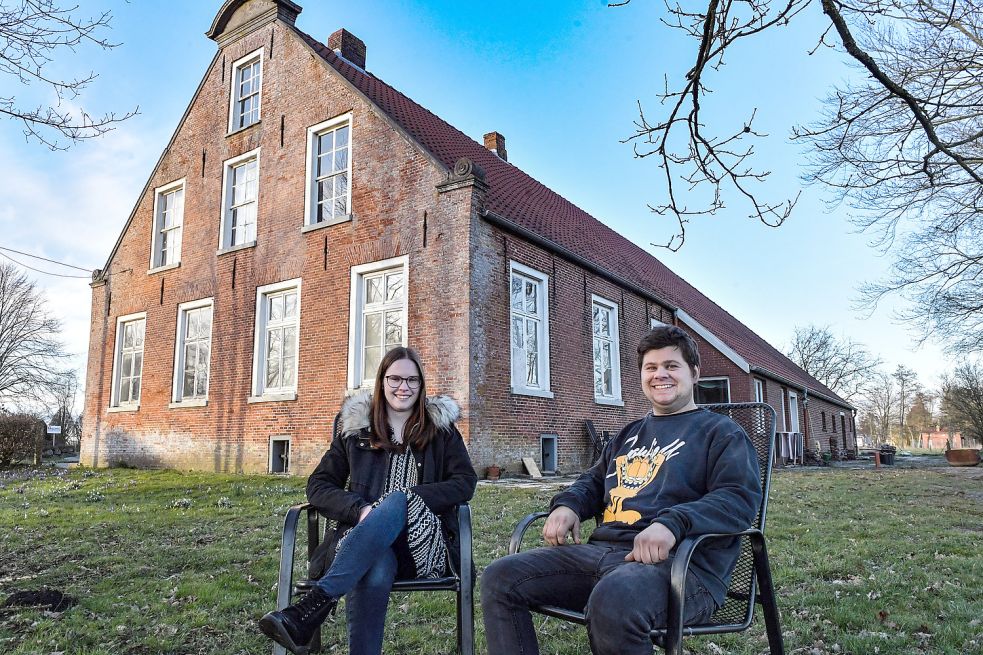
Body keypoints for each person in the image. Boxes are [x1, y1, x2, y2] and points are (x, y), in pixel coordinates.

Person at [481, 325, 762, 655]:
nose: (661, 375)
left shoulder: (721, 433)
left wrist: (673, 523)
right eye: (651, 368)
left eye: (672, 366)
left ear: (694, 374)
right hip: (602, 556)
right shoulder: (629, 433)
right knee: (500, 578)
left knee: (614, 598)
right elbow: (593, 481)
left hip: (682, 569)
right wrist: (568, 505)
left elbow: (738, 499)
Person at [259, 346, 477, 655]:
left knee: (399, 500)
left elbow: (464, 483)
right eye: (396, 379)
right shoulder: (356, 431)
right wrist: (360, 510)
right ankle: (314, 615)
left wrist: (406, 500)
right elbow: (318, 485)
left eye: (413, 380)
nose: (404, 387)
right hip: (363, 545)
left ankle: (314, 605)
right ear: (382, 381)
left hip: (424, 544)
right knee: (374, 562)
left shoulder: (440, 430)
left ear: (421, 384)